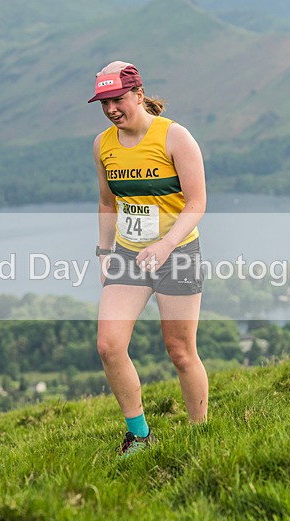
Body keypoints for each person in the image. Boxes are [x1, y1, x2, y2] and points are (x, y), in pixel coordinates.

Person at [88, 60, 209, 457]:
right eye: (104, 102)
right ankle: (139, 435)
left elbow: (197, 202)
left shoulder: (175, 137)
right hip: (128, 254)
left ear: (139, 94)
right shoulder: (103, 144)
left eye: (117, 99)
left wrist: (166, 245)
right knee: (109, 344)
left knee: (179, 350)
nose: (111, 109)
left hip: (178, 253)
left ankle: (199, 431)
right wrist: (105, 252)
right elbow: (108, 203)